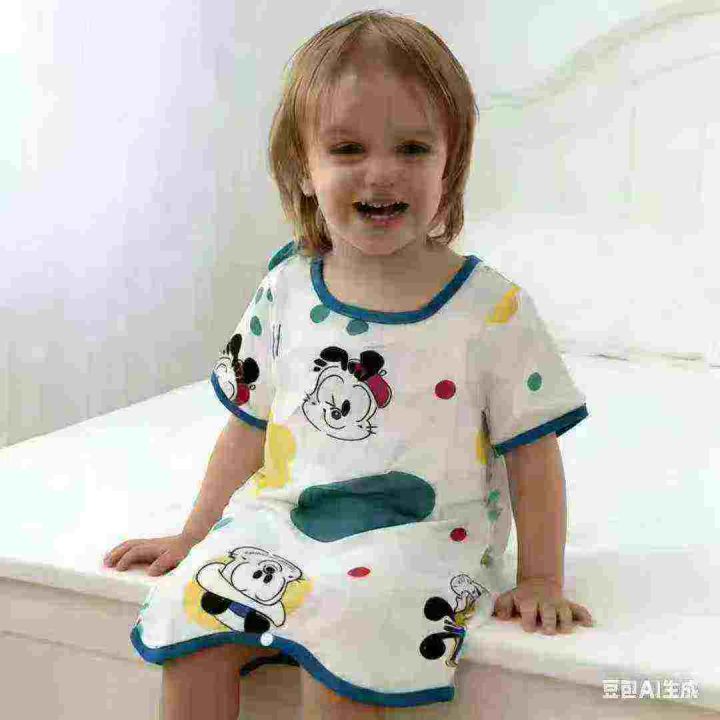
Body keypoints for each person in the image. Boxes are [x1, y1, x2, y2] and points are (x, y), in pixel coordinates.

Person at [103, 9, 594, 719]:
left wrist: (541, 576)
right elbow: (248, 426)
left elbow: (534, 454)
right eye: (347, 148)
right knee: (190, 614)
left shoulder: (491, 309)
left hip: (423, 536)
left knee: (354, 622)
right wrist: (195, 533)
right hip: (283, 518)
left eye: (413, 148)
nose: (381, 172)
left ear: (450, 163)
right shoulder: (286, 286)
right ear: (303, 169)